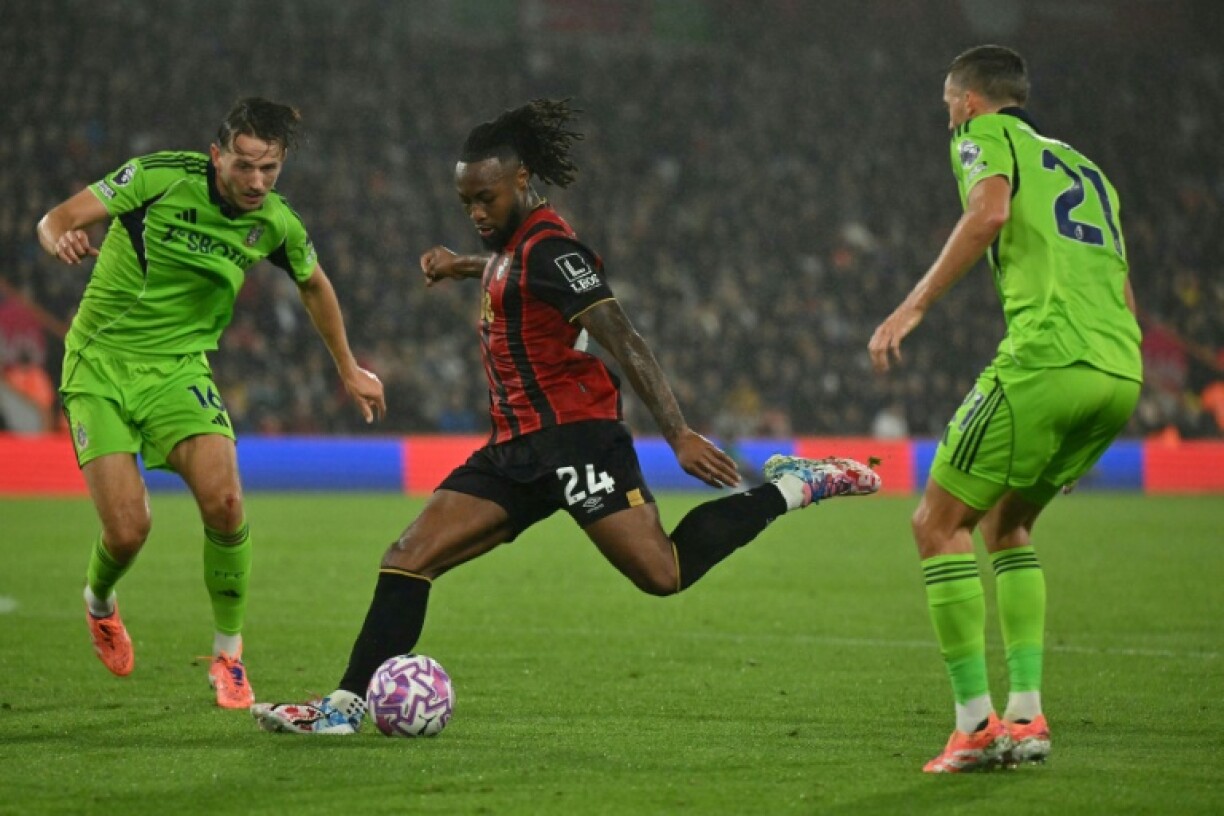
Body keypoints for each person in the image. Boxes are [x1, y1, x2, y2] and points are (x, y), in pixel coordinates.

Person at [252, 99, 881, 735]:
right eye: (466, 200)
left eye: (487, 199)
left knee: (662, 573)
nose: (475, 213)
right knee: (408, 556)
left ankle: (797, 485)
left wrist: (679, 433)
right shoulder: (512, 245)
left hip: (579, 441)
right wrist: (459, 264)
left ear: (521, 180)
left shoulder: (554, 248)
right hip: (515, 448)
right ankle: (345, 707)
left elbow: (624, 336)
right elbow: (508, 269)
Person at [36, 97, 386, 709]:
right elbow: (54, 219)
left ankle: (229, 654)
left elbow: (314, 283)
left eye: (269, 169)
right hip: (99, 365)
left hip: (179, 373)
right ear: (217, 155)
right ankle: (99, 602)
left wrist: (348, 367)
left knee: (226, 502)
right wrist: (60, 240)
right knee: (128, 530)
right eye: (244, 166)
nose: (256, 182)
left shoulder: (275, 222)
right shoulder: (155, 178)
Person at [868, 46, 1142, 772]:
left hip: (1048, 359)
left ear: (968, 101)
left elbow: (988, 212)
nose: (947, 115)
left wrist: (912, 305)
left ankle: (975, 724)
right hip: (1119, 369)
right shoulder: (1089, 170)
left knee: (935, 523)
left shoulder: (983, 137)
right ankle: (1026, 714)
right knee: (1008, 521)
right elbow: (1119, 285)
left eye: (946, 102)